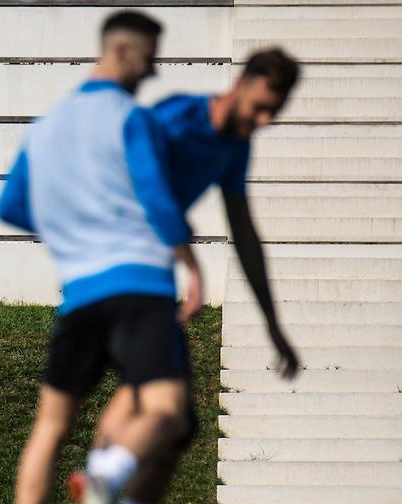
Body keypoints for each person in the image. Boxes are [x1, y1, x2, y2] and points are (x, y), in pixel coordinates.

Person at [0, 10, 203, 504]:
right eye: (152, 56)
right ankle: (107, 479)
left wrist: (70, 231)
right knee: (168, 413)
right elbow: (158, 198)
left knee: (50, 427)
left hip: (78, 293)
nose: (154, 68)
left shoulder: (47, 125)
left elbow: (10, 206)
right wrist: (190, 263)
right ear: (127, 52)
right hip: (138, 285)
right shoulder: (131, 117)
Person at [93, 49, 302, 457]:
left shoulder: (234, 148)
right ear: (240, 84)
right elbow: (133, 171)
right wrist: (190, 265)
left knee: (159, 406)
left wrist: (272, 324)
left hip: (148, 266)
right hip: (117, 257)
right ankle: (99, 494)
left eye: (272, 114)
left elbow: (244, 232)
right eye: (260, 108)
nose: (263, 122)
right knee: (167, 407)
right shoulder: (179, 115)